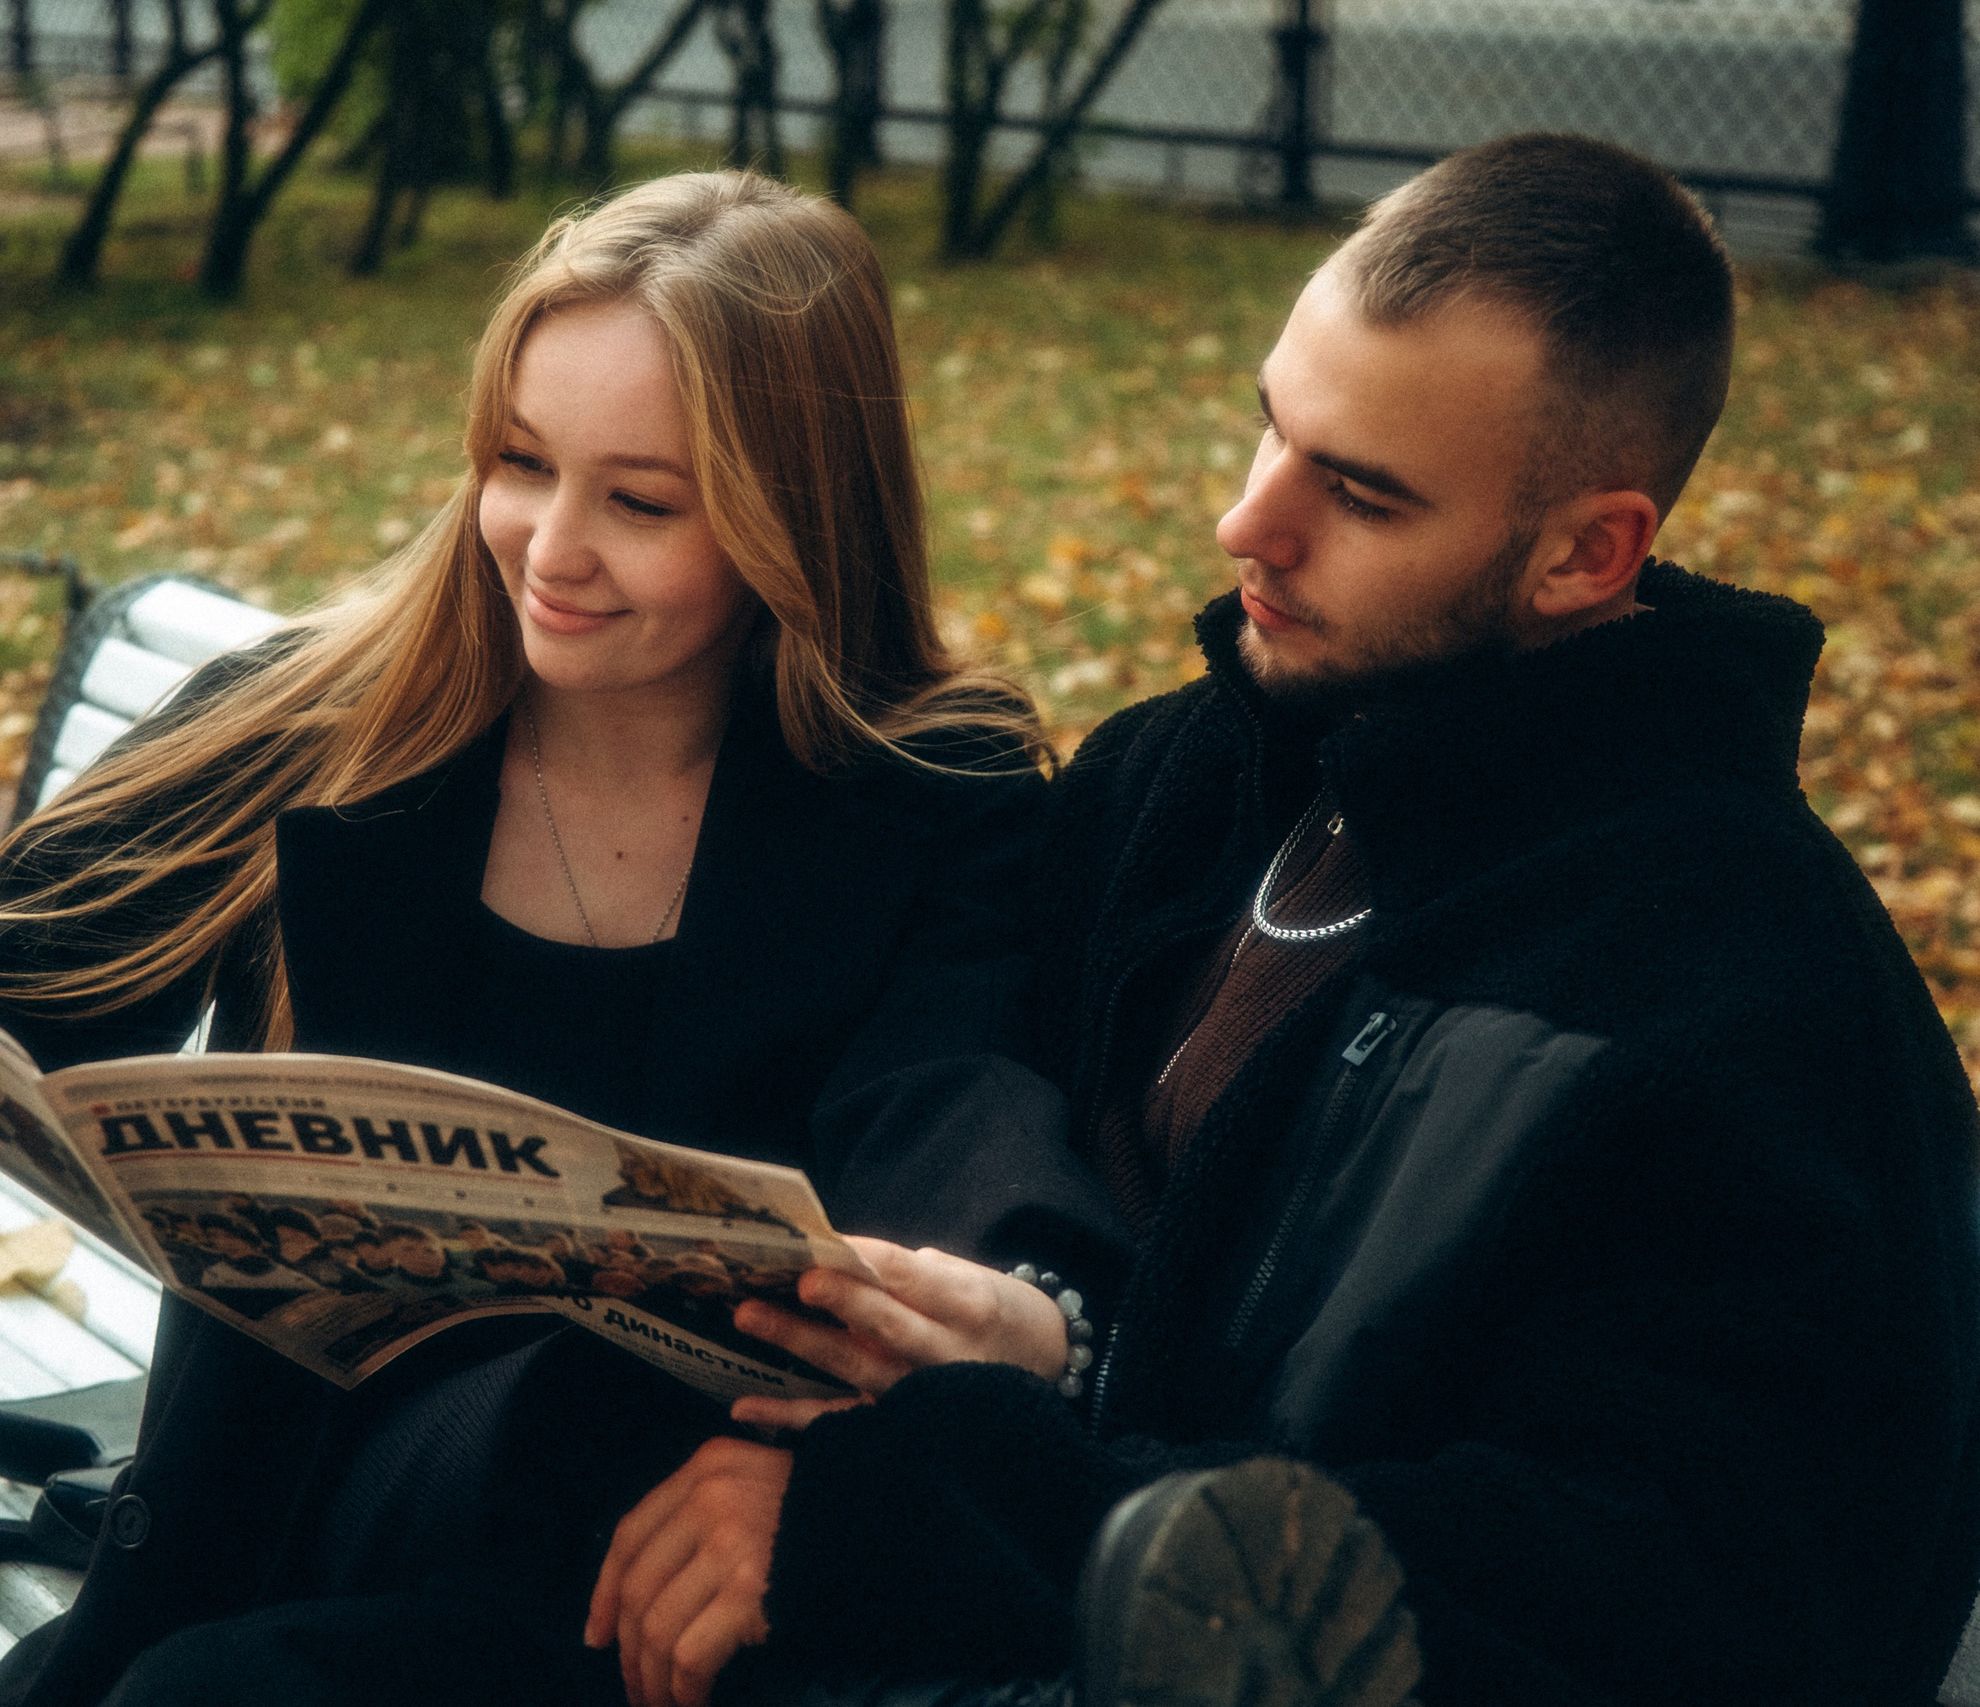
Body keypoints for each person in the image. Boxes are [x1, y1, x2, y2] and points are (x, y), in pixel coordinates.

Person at [0, 170, 1129, 1707]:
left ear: (797, 518)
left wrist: (1006, 1308)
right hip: (267, 1513)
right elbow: (2, 1021)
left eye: (641, 501)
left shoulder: (931, 791)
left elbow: (958, 1114)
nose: (550, 546)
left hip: (618, 1582)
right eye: (521, 462)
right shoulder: (311, 724)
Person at [586, 135, 1980, 1707]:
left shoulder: (1752, 1008)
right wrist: (1010, 1351)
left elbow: (1681, 1611)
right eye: (1273, 428)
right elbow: (970, 1110)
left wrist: (950, 1500)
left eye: (1362, 495)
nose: (1250, 523)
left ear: (1589, 554)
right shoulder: (1174, 779)